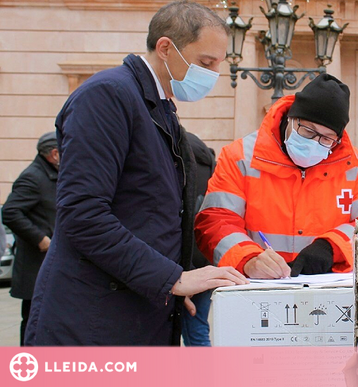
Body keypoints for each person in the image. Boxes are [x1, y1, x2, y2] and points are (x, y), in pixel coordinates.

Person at [24, 1, 247, 346]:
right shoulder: (107, 95)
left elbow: (149, 212)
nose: (214, 75)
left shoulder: (157, 105)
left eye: (219, 65)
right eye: (206, 63)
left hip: (136, 307)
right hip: (92, 320)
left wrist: (166, 285)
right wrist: (172, 279)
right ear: (165, 48)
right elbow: (83, 214)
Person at [195, 74, 358, 279]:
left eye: (326, 138)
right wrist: (248, 259)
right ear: (291, 119)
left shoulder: (354, 165)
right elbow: (216, 222)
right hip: (256, 285)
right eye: (308, 131)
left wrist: (332, 247)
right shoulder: (240, 157)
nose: (315, 142)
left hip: (326, 286)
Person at [2, 132, 59, 346]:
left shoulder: (51, 175)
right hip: (35, 266)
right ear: (54, 154)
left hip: (49, 265)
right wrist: (41, 239)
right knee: (34, 321)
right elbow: (10, 212)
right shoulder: (33, 177)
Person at [182, 131, 215, 346]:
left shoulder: (179, 161)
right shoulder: (211, 165)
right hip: (208, 262)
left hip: (183, 267)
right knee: (198, 330)